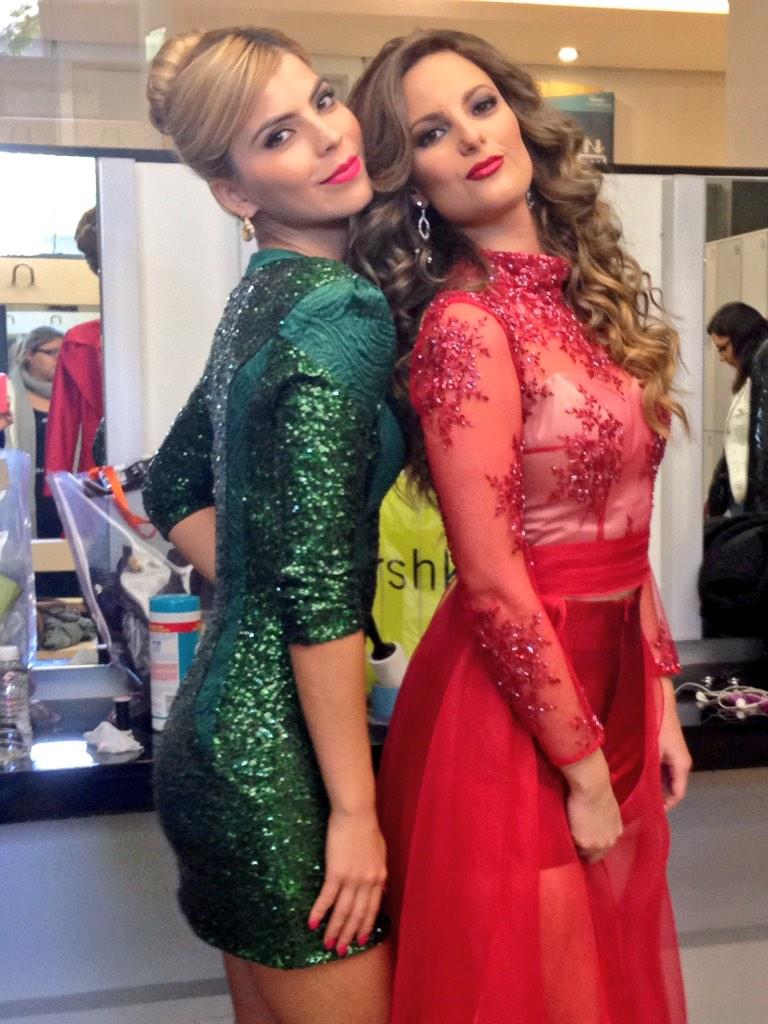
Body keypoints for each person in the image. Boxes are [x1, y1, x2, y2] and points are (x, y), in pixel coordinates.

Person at [348, 29, 691, 1024]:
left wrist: (659, 696)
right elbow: (495, 580)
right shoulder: (465, 326)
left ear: (518, 115)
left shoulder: (589, 300)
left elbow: (625, 526)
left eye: (481, 106)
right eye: (431, 133)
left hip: (614, 678)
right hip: (512, 713)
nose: (469, 138)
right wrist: (582, 770)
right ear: (409, 179)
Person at [141, 26, 402, 1024]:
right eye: (279, 136)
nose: (330, 136)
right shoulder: (341, 310)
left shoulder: (261, 296)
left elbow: (173, 487)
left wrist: (254, 584)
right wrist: (355, 810)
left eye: (323, 100)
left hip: (214, 738)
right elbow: (319, 590)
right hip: (281, 767)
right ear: (235, 193)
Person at [45, 206, 105, 475]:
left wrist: (56, 483)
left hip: (96, 474)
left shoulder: (80, 341)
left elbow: (62, 424)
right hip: (97, 475)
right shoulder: (79, 342)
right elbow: (63, 423)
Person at [705, 301, 768, 516]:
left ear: (742, 338)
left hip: (756, 504)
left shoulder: (762, 366)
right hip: (744, 498)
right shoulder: (749, 380)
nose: (722, 358)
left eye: (723, 348)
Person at [4, 326, 65, 537]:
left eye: (63, 352)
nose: (59, 358)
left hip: (63, 493)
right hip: (23, 493)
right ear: (29, 355)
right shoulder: (9, 393)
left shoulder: (72, 394)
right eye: (52, 352)